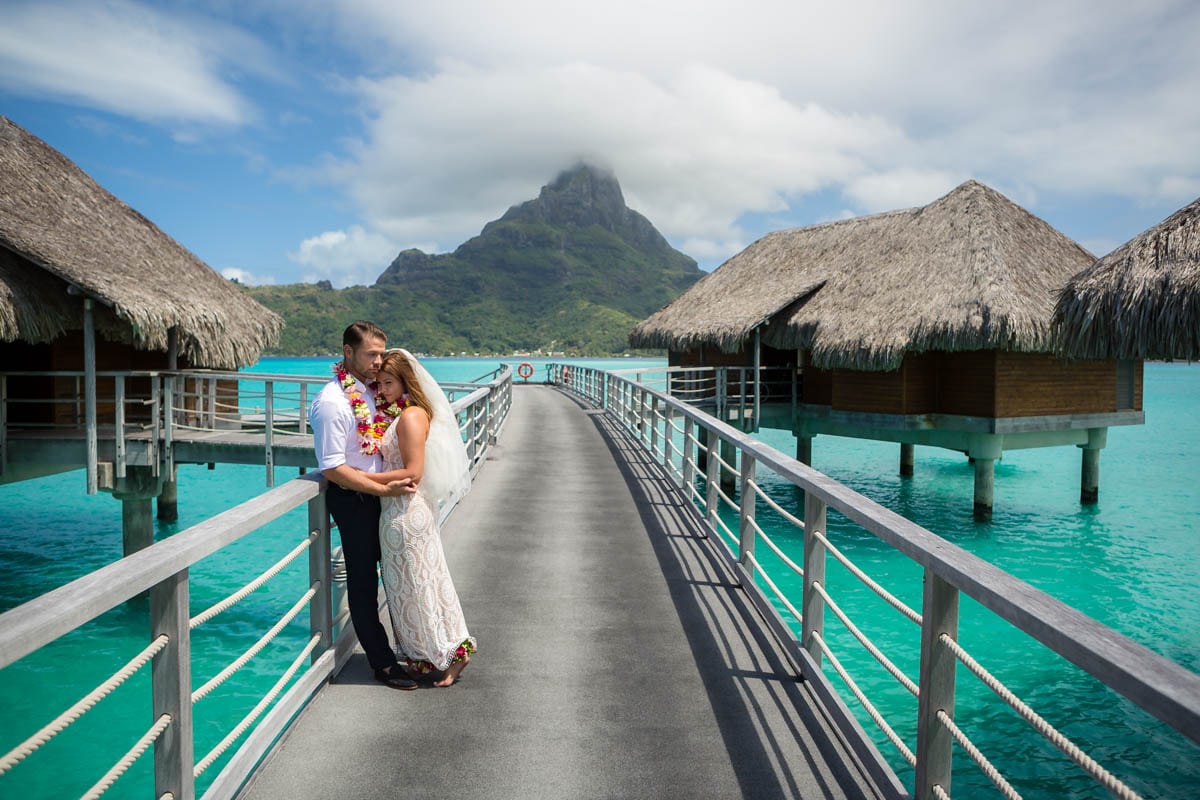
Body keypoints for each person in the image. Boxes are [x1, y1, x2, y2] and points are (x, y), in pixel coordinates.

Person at [310, 321, 418, 690]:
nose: (378, 362)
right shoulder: (332, 402)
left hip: (382, 494)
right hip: (354, 498)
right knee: (362, 580)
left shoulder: (376, 391)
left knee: (399, 572)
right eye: (370, 354)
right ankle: (383, 663)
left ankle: (416, 647)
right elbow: (333, 468)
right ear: (348, 352)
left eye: (380, 354)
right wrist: (382, 491)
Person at [367, 348, 475, 687]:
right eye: (379, 382)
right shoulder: (404, 414)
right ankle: (428, 655)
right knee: (408, 588)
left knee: (422, 584)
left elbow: (413, 471)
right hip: (395, 511)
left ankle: (453, 653)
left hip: (406, 513)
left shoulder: (412, 416)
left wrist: (356, 477)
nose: (381, 390)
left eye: (388, 382)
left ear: (406, 382)